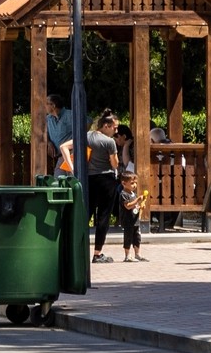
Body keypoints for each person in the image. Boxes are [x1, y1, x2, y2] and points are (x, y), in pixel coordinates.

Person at [73, 112, 123, 263]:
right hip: (106, 179)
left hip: (88, 178)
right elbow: (114, 164)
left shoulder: (86, 136)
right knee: (104, 216)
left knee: (86, 214)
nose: (116, 131)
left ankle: (78, 249)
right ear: (106, 126)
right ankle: (97, 253)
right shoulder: (109, 142)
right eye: (114, 127)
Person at [119, 165, 147, 261]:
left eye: (135, 183)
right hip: (128, 221)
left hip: (135, 220)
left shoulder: (133, 194)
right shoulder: (123, 194)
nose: (134, 185)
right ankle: (127, 256)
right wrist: (138, 200)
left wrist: (140, 206)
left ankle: (137, 254)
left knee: (137, 237)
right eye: (132, 183)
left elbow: (135, 207)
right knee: (128, 238)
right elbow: (128, 206)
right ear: (124, 183)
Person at [43, 94, 73, 170]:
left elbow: (88, 121)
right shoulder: (48, 119)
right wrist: (49, 142)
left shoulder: (70, 115)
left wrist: (77, 139)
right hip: (59, 157)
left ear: (53, 105)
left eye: (46, 104)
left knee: (73, 177)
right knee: (58, 177)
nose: (44, 106)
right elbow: (45, 132)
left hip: (71, 155)